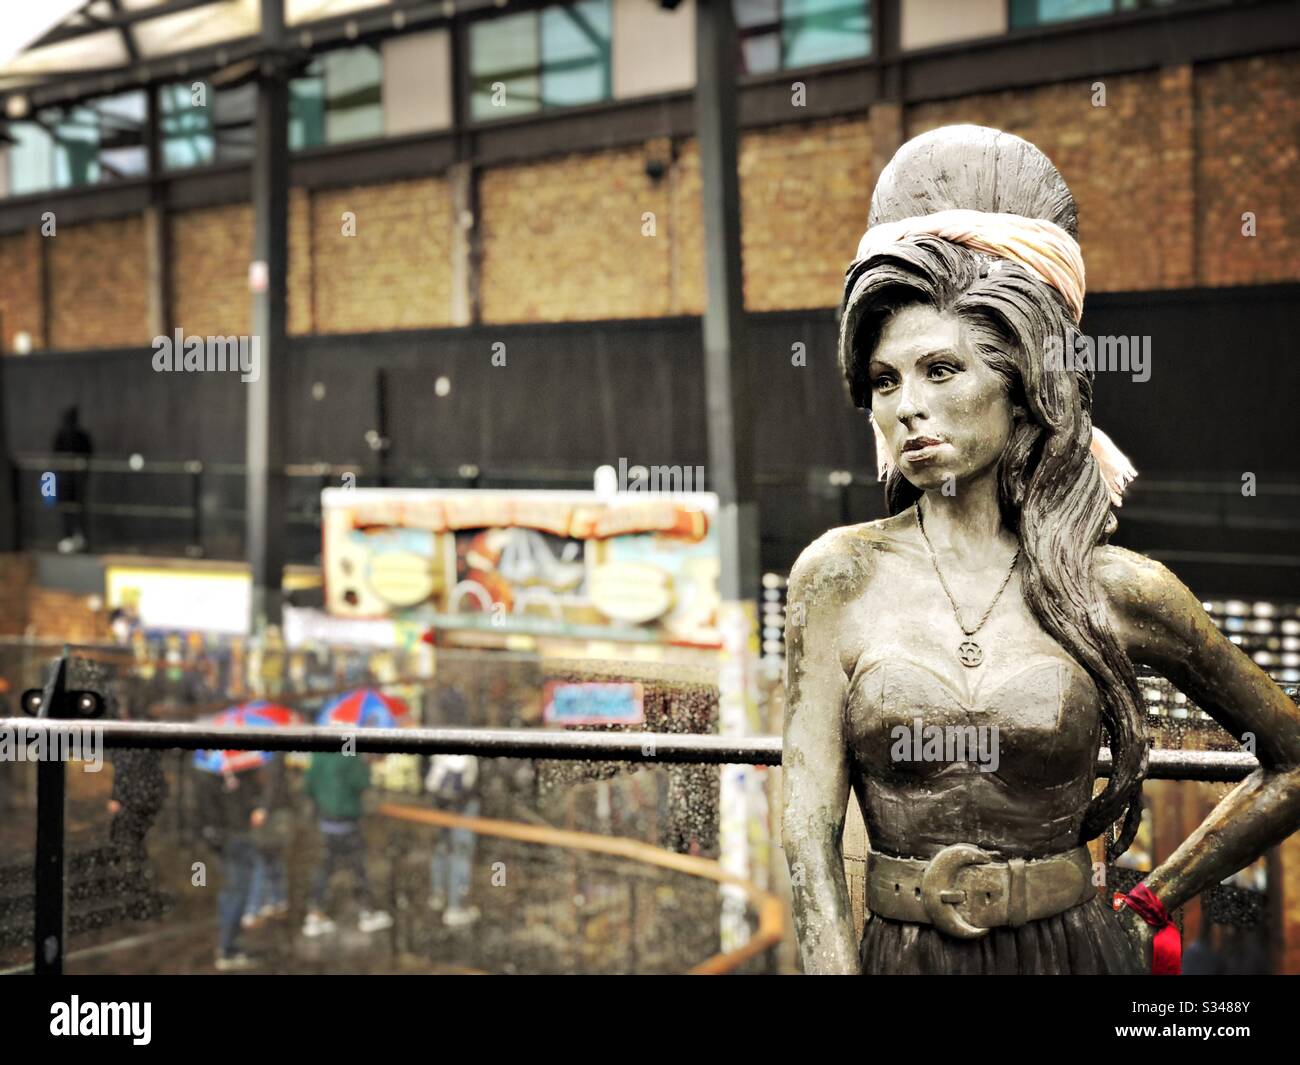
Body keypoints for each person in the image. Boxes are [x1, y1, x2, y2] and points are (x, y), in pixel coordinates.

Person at [782, 124, 1300, 975]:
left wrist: (1147, 903)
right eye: (885, 380)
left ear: (1022, 388)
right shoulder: (837, 576)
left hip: (1076, 954)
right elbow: (806, 833)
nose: (908, 404)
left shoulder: (1118, 588)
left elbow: (1290, 757)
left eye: (941, 370)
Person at [302, 751, 392, 936]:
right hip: (347, 821)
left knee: (325, 868)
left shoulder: (320, 755)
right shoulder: (349, 751)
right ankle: (367, 911)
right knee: (357, 867)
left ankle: (315, 912)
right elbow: (361, 782)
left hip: (326, 821)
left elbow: (309, 785)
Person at [201, 763, 276, 971]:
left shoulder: (221, 773)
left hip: (227, 838)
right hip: (233, 838)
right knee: (237, 892)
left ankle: (230, 944)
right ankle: (228, 948)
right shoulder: (219, 775)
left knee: (233, 891)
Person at [425, 753, 481, 928]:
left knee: (442, 849)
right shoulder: (468, 752)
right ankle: (456, 907)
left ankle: (438, 894)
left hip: (441, 803)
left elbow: (430, 783)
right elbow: (470, 782)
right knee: (461, 854)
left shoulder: (440, 748)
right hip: (463, 807)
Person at [243, 754, 291, 928]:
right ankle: (277, 899)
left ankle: (255, 907)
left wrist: (263, 807)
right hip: (268, 813)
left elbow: (273, 782)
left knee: (262, 859)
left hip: (270, 815)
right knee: (271, 857)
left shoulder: (270, 756)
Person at [51, 405, 92, 553]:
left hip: (78, 480)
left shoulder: (81, 437)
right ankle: (67, 538)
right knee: (66, 509)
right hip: (64, 481)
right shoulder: (61, 436)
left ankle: (81, 539)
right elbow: (55, 457)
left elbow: (88, 453)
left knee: (78, 510)